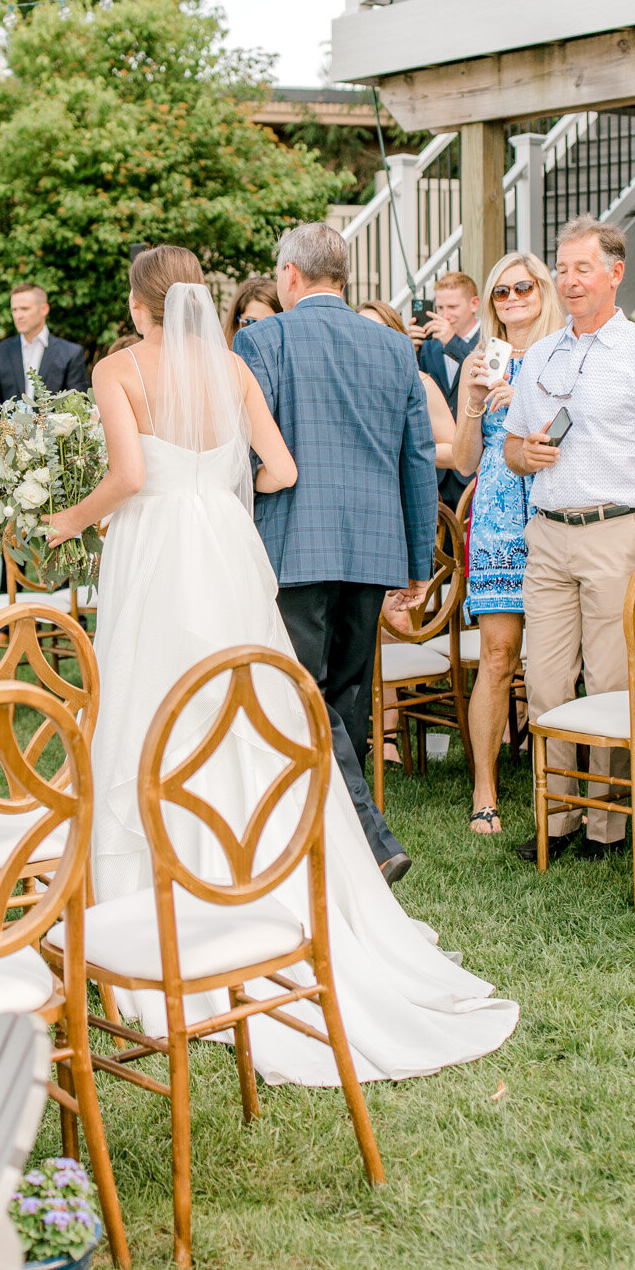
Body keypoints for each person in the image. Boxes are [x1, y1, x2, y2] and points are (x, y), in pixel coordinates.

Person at [46, 242, 518, 1086]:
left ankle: (154, 886)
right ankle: (263, 865)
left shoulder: (119, 370)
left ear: (137, 303)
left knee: (153, 701)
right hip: (226, 550)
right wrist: (213, 492)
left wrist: (68, 520)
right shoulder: (232, 371)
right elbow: (282, 468)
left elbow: (123, 475)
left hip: (157, 548)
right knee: (251, 711)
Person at [235, 223, 438, 885]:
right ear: (339, 276)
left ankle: (367, 838)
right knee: (344, 698)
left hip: (291, 542)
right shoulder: (392, 348)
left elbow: (246, 452)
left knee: (301, 693)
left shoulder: (258, 339)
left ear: (289, 275)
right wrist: (414, 562)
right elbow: (416, 464)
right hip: (373, 545)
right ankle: (346, 844)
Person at [503, 216, 635, 861]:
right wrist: (525, 453)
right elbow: (509, 447)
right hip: (548, 535)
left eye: (583, 268)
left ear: (615, 273)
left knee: (610, 685)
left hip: (618, 533)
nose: (568, 279)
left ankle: (609, 828)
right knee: (547, 682)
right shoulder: (543, 354)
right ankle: (557, 818)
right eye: (563, 267)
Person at [450, 251, 563, 836]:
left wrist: (519, 403)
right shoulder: (480, 361)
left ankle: (562, 788)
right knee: (496, 657)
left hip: (553, 507)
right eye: (501, 292)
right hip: (495, 515)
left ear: (543, 290)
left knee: (559, 661)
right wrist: (473, 403)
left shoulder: (564, 355)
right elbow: (465, 461)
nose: (514, 299)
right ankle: (485, 790)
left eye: (524, 287)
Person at [357, 302, 460, 468]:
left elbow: (455, 453)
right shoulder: (344, 384)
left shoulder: (419, 382)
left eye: (381, 329)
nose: (371, 337)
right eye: (361, 329)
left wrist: (405, 449)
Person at [414, 271, 484, 508]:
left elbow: (483, 375)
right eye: (440, 307)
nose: (444, 315)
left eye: (452, 307)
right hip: (440, 471)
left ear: (474, 304)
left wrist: (453, 342)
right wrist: (410, 351)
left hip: (474, 462)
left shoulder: (488, 340)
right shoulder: (429, 346)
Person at [0, 283, 88, 415]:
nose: (18, 315)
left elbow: (77, 407)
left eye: (24, 309)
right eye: (14, 310)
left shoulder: (70, 353)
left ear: (44, 309)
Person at [224, 273, 281, 346]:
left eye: (270, 325)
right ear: (236, 323)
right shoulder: (220, 355)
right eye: (251, 322)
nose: (260, 334)